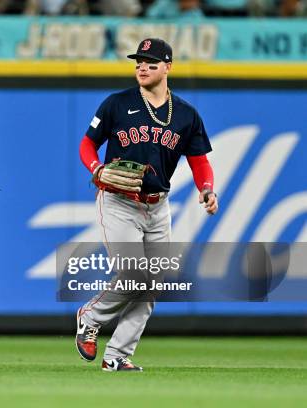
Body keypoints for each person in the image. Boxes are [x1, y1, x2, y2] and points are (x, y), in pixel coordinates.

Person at [75, 38, 219, 372]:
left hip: (158, 206)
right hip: (118, 201)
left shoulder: (185, 114)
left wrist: (207, 189)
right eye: (139, 61)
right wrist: (96, 168)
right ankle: (90, 316)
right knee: (134, 272)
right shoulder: (117, 103)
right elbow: (87, 144)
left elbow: (199, 161)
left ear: (168, 67)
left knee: (152, 283)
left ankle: (117, 355)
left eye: (151, 63)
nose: (142, 67)